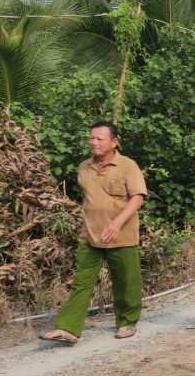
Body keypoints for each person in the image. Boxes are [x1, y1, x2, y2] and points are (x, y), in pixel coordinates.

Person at [40, 122, 148, 344]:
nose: (94, 142)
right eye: (91, 138)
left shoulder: (127, 166)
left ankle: (127, 321)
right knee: (81, 282)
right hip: (89, 236)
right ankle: (68, 328)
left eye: (100, 139)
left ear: (114, 142)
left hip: (122, 235)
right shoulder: (84, 167)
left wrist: (117, 223)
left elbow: (137, 197)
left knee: (126, 282)